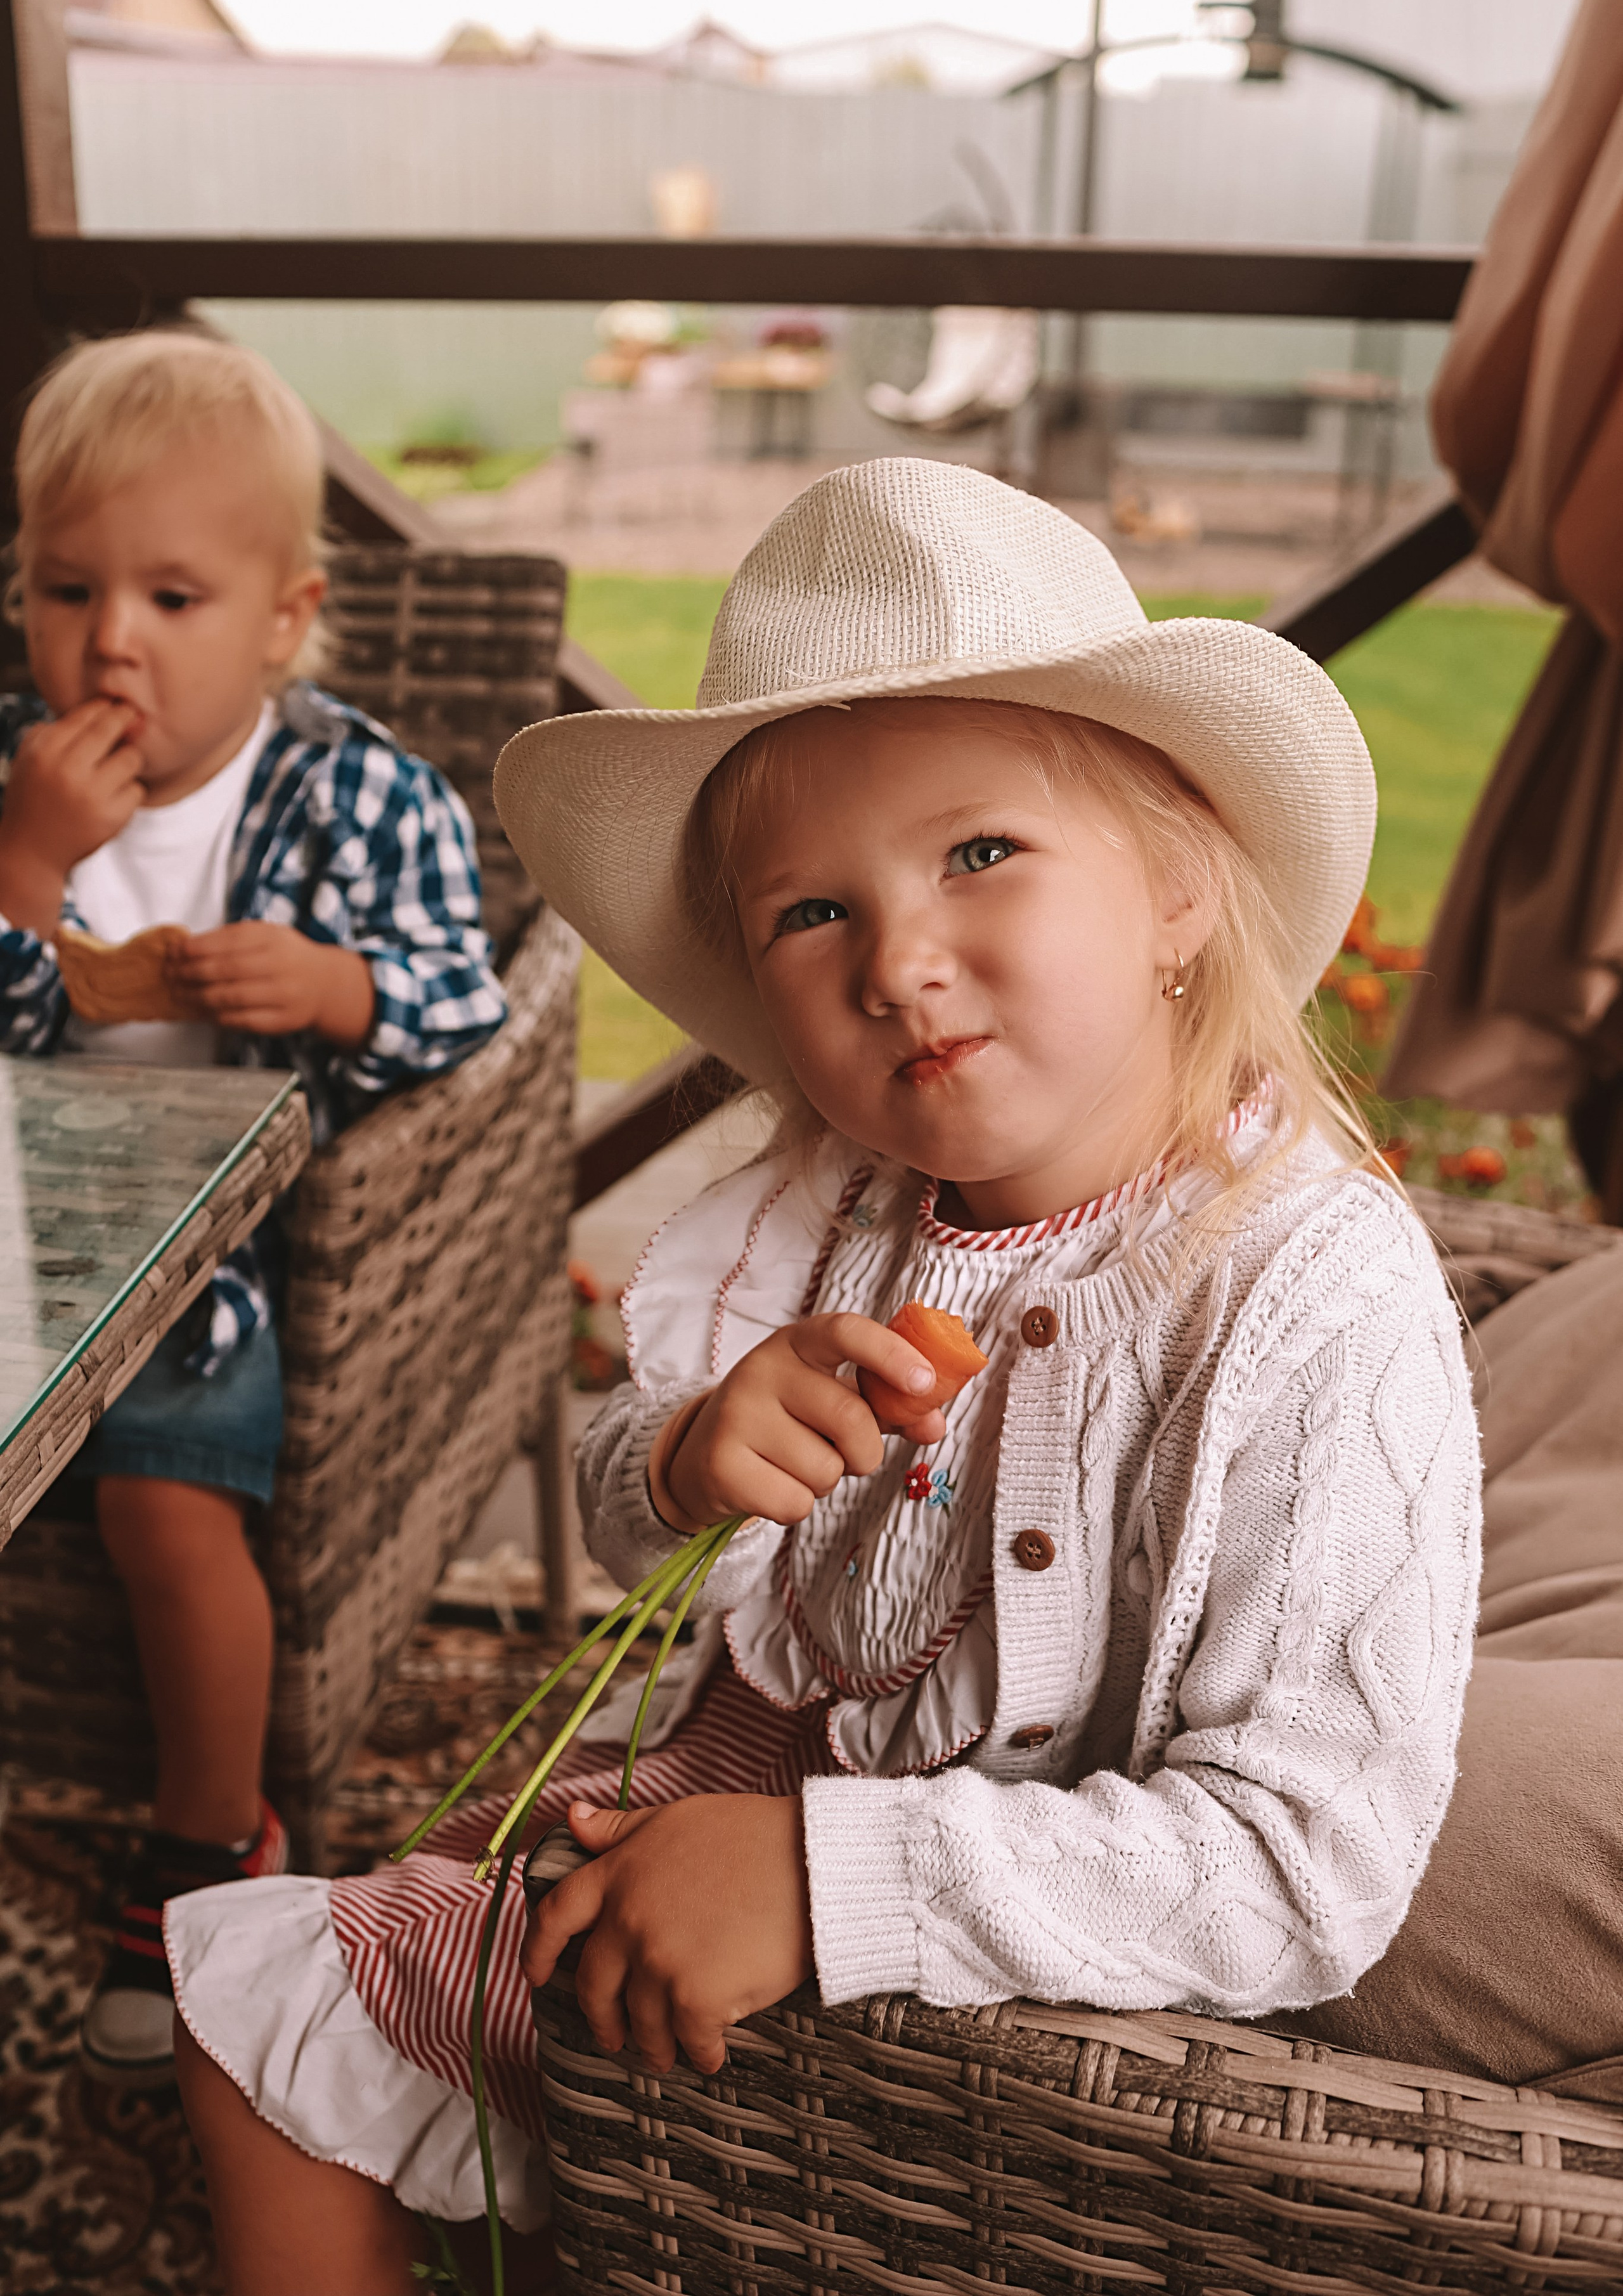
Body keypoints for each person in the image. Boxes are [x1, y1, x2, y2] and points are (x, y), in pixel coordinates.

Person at [168, 459, 1481, 2296]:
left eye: (980, 853)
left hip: (997, 1950)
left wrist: (817, 1878)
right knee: (288, 2013)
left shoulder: (1306, 1291)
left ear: (1182, 882)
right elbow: (633, 1508)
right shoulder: (838, 1206)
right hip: (722, 1782)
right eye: (811, 914)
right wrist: (689, 1461)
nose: (900, 964)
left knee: (337, 2032)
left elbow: (1304, 1863)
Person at [0, 328, 507, 2089]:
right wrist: (25, 867)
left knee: (165, 1506)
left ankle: (209, 1829)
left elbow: (470, 1005)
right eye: (66, 589)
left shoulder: (357, 795)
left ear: (286, 621)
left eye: (171, 597)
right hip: (27, 1218)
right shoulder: (17, 781)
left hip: (224, 1256)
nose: (109, 642)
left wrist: (339, 991)